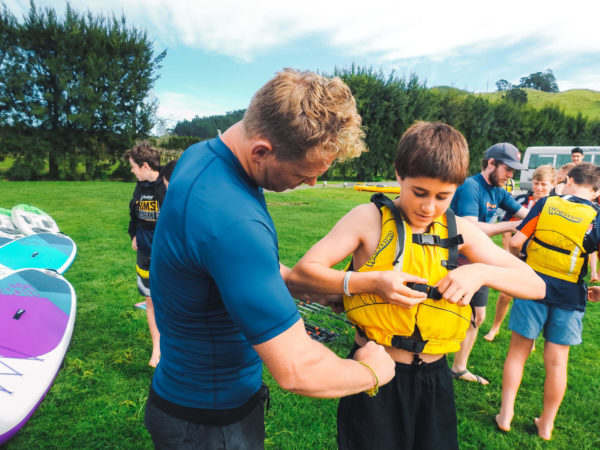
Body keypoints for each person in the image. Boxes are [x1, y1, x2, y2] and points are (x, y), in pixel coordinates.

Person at [144, 69, 396, 449]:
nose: (310, 183)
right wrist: (372, 371)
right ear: (261, 150)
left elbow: (221, 264)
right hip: (209, 424)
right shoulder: (233, 220)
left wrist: (296, 284)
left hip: (184, 403)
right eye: (303, 173)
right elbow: (297, 369)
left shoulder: (202, 157)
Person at [288, 122, 545, 450]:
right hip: (375, 370)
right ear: (399, 175)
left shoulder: (458, 229)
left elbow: (535, 285)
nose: (429, 207)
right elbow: (302, 274)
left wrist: (480, 273)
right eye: (419, 193)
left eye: (443, 196)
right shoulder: (367, 219)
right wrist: (370, 282)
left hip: (434, 380)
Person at [496, 162, 600, 440]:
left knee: (518, 352)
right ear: (596, 191)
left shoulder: (546, 204)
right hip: (570, 295)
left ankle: (506, 413)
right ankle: (546, 424)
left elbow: (517, 242)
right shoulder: (597, 216)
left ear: (567, 179)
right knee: (557, 363)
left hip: (533, 286)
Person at [448, 142, 529, 384]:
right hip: (453, 258)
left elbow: (525, 215)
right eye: (508, 169)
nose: (511, 175)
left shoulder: (500, 191)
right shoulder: (470, 187)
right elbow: (470, 226)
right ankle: (420, 359)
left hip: (477, 260)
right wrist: (511, 225)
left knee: (477, 316)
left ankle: (459, 368)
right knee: (443, 311)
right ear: (491, 163)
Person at [484, 165, 556, 342]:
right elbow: (507, 229)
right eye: (536, 183)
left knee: (535, 300)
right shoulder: (522, 200)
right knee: (505, 294)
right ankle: (495, 327)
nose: (539, 188)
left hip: (541, 260)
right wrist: (510, 253)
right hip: (517, 256)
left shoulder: (556, 206)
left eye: (543, 185)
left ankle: (529, 338)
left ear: (553, 184)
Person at [125, 142, 166, 368]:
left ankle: (178, 345)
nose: (132, 171)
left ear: (145, 165)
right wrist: (134, 234)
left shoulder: (167, 187)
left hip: (166, 255)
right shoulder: (139, 187)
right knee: (151, 301)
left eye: (133, 167)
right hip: (144, 253)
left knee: (171, 301)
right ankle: (157, 348)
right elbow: (134, 213)